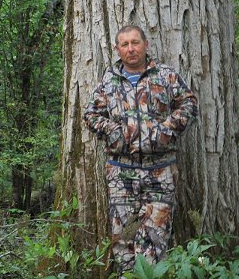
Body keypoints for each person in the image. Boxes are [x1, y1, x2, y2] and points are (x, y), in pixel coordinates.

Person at [84, 25, 198, 275]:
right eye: (124, 44)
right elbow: (91, 114)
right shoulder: (109, 80)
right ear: (117, 49)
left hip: (160, 173)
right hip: (120, 173)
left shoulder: (165, 75)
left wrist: (165, 130)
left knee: (155, 243)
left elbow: (189, 103)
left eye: (135, 42)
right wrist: (115, 133)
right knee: (122, 241)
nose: (130, 49)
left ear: (145, 44)